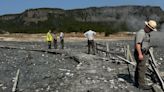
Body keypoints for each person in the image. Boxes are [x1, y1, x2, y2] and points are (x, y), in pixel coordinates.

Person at [134, 20, 157, 90]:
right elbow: (137, 44)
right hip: (141, 53)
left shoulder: (146, 33)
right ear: (147, 27)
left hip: (144, 52)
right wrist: (140, 54)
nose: (151, 31)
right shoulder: (141, 33)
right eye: (151, 29)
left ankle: (137, 82)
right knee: (142, 69)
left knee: (139, 67)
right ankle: (141, 85)